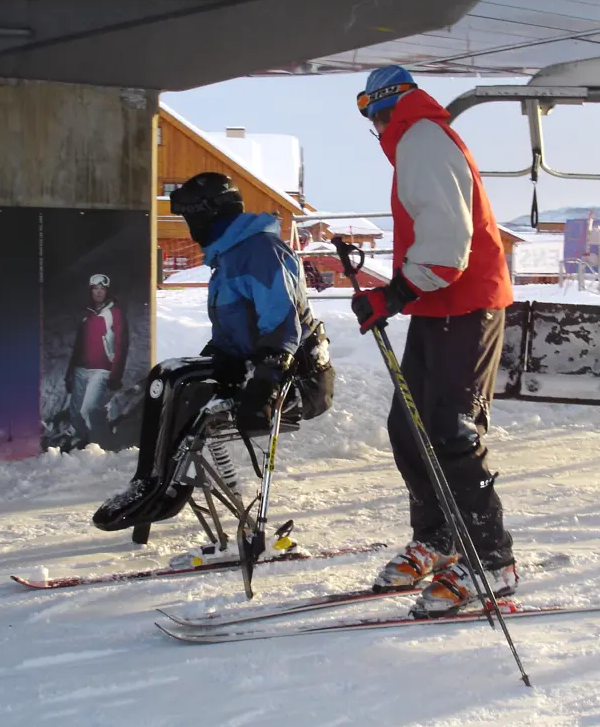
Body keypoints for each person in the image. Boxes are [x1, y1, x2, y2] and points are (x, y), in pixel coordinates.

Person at [352, 65, 516, 616]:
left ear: (381, 108)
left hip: (465, 307)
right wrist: (397, 294)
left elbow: (447, 244)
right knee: (409, 426)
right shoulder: (414, 138)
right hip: (440, 305)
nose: (373, 129)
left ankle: (492, 559)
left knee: (449, 429)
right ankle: (441, 536)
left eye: (370, 115)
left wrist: (395, 293)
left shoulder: (420, 136)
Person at [92, 171, 333, 535]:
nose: (189, 225)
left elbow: (282, 323)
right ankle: (150, 483)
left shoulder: (261, 253)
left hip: (294, 377)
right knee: (167, 375)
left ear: (211, 214)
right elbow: (233, 334)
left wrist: (266, 381)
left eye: (191, 216)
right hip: (255, 363)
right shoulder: (230, 257)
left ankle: (164, 488)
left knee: (186, 392)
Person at [65, 273, 129, 449]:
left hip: (101, 370)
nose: (99, 292)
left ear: (107, 291)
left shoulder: (114, 312)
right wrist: (69, 373)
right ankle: (80, 442)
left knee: (89, 409)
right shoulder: (87, 313)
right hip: (80, 368)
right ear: (91, 291)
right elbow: (79, 345)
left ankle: (103, 446)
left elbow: (121, 344)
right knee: (75, 412)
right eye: (95, 289)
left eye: (102, 289)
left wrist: (115, 374)